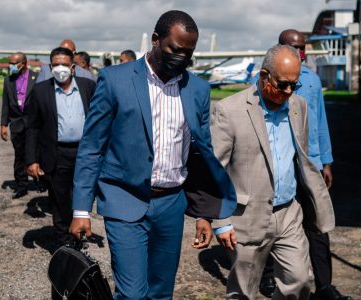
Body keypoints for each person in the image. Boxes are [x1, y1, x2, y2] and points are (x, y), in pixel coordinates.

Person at [68, 10, 236, 299]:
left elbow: (200, 155)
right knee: (132, 293)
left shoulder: (197, 89)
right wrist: (81, 210)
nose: (181, 58)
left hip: (172, 203)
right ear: (156, 39)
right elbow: (92, 147)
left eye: (188, 53)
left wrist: (203, 214)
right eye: (174, 49)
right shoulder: (114, 79)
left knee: (161, 292)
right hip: (123, 200)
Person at [210, 44, 335, 300]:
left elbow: (300, 157)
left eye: (294, 84)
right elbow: (214, 170)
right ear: (264, 75)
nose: (288, 91)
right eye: (282, 84)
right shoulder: (230, 110)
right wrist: (219, 222)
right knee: (243, 291)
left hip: (288, 213)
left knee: (300, 281)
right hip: (246, 216)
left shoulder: (298, 107)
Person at [259, 29, 351, 300]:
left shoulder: (311, 81)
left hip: (309, 164)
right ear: (280, 48)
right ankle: (266, 276)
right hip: (279, 164)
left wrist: (327, 161)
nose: (301, 52)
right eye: (294, 47)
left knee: (317, 225)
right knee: (270, 220)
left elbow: (320, 122)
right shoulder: (265, 79)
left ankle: (324, 285)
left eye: (303, 47)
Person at [25, 47, 96, 245]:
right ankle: (65, 244)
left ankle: (79, 230)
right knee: (60, 199)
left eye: (64, 64)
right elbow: (32, 128)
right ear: (50, 67)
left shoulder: (88, 86)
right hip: (56, 153)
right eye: (56, 65)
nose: (60, 68)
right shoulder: (40, 91)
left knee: (83, 195)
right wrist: (32, 159)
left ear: (72, 67)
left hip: (84, 151)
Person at [0, 52, 37, 199]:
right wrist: (3, 124)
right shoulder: (8, 80)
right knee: (19, 156)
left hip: (33, 122)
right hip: (16, 123)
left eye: (14, 63)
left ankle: (40, 181)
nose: (11, 66)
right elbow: (5, 104)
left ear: (24, 63)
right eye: (10, 63)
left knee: (36, 153)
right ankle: (21, 185)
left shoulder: (37, 77)